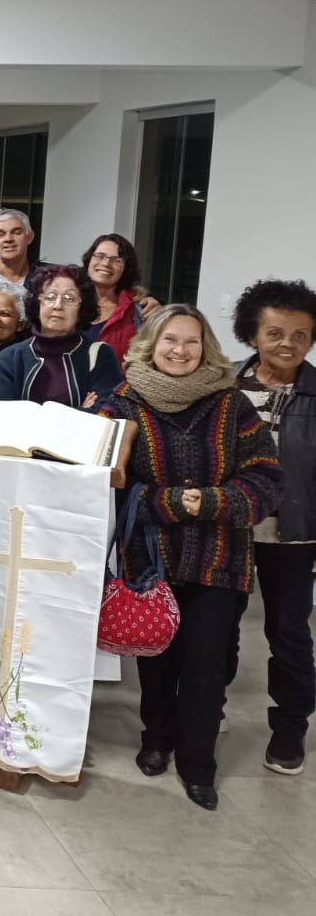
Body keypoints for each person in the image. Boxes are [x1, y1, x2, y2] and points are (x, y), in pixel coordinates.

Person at [103, 304, 281, 810]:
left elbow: (266, 476)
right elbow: (107, 482)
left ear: (206, 349)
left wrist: (216, 501)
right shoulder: (122, 404)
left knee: (207, 663)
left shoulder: (232, 404)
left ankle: (198, 764)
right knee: (157, 659)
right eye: (170, 340)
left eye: (191, 341)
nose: (179, 350)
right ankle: (157, 740)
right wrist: (168, 502)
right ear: (150, 345)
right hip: (151, 555)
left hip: (219, 556)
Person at [232, 279, 316, 775]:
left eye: (301, 335)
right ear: (252, 335)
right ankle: (207, 709)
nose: (288, 343)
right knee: (218, 628)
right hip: (230, 529)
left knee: (289, 633)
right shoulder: (225, 385)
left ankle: (290, 729)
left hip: (295, 536)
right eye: (276, 333)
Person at [0, 264, 121, 409]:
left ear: (82, 308)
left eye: (69, 298)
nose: (58, 305)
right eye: (50, 297)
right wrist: (80, 412)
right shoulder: (11, 357)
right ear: (38, 304)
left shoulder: (99, 355)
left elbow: (106, 414)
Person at [82, 232, 149, 363]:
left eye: (116, 260)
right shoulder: (67, 302)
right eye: (100, 256)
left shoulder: (138, 312)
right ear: (89, 260)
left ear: (126, 269)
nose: (106, 263)